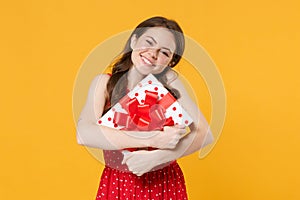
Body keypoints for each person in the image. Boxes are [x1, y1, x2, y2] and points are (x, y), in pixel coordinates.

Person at [76, 16, 213, 200]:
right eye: (149, 42)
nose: (153, 54)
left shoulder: (171, 82)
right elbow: (84, 133)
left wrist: (157, 158)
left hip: (165, 182)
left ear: (171, 61)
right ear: (133, 41)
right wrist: (153, 139)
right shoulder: (104, 83)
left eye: (164, 52)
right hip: (119, 183)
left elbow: (205, 133)